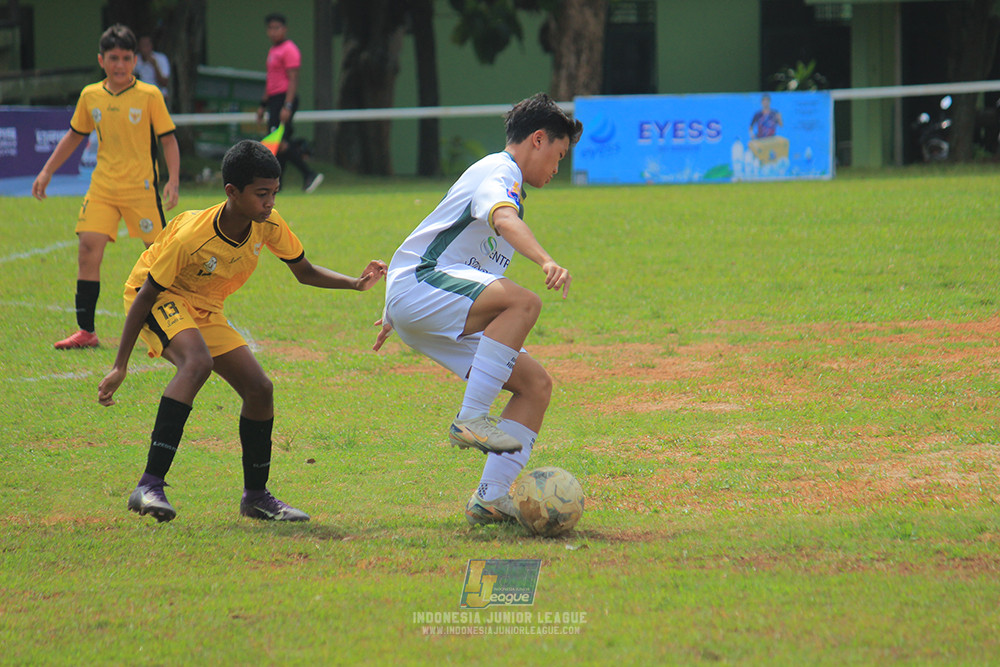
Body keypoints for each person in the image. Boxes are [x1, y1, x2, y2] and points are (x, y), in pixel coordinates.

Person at [97, 139, 386, 523]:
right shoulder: (191, 236)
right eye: (261, 194)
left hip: (204, 306)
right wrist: (120, 366)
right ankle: (148, 485)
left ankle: (256, 497)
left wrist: (354, 283)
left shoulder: (268, 223)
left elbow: (304, 271)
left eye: (274, 193)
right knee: (196, 363)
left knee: (259, 389)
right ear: (232, 192)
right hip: (158, 296)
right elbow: (147, 292)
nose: (269, 202)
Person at [372, 93, 582, 526]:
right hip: (419, 285)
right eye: (558, 157)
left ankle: (489, 497)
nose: (557, 170)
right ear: (538, 140)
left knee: (535, 386)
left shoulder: (505, 184)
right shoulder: (498, 170)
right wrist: (545, 260)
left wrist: (398, 313)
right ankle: (470, 419)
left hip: (427, 301)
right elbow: (502, 221)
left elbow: (450, 245)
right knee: (524, 301)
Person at [32, 24, 180, 350]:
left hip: (141, 189)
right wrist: (46, 172)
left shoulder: (149, 95)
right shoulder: (90, 96)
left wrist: (173, 179)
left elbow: (168, 140)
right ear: (102, 60)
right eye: (113, 58)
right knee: (87, 249)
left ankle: (177, 326)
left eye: (126, 58)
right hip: (102, 187)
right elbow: (74, 135)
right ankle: (86, 331)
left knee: (159, 258)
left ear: (133, 61)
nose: (120, 65)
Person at [255, 12, 323, 193]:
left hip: (284, 98)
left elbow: (293, 80)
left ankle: (309, 173)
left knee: (278, 142)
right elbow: (271, 80)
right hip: (274, 99)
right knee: (279, 142)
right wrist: (263, 104)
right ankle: (280, 184)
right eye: (270, 28)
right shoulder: (273, 51)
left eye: (276, 28)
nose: (273, 32)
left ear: (284, 29)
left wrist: (288, 105)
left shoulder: (289, 49)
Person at [134, 35, 171, 106]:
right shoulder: (135, 60)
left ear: (151, 46)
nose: (145, 48)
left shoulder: (161, 59)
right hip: (141, 98)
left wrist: (155, 65)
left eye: (147, 45)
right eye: (142, 45)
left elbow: (164, 83)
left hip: (158, 97)